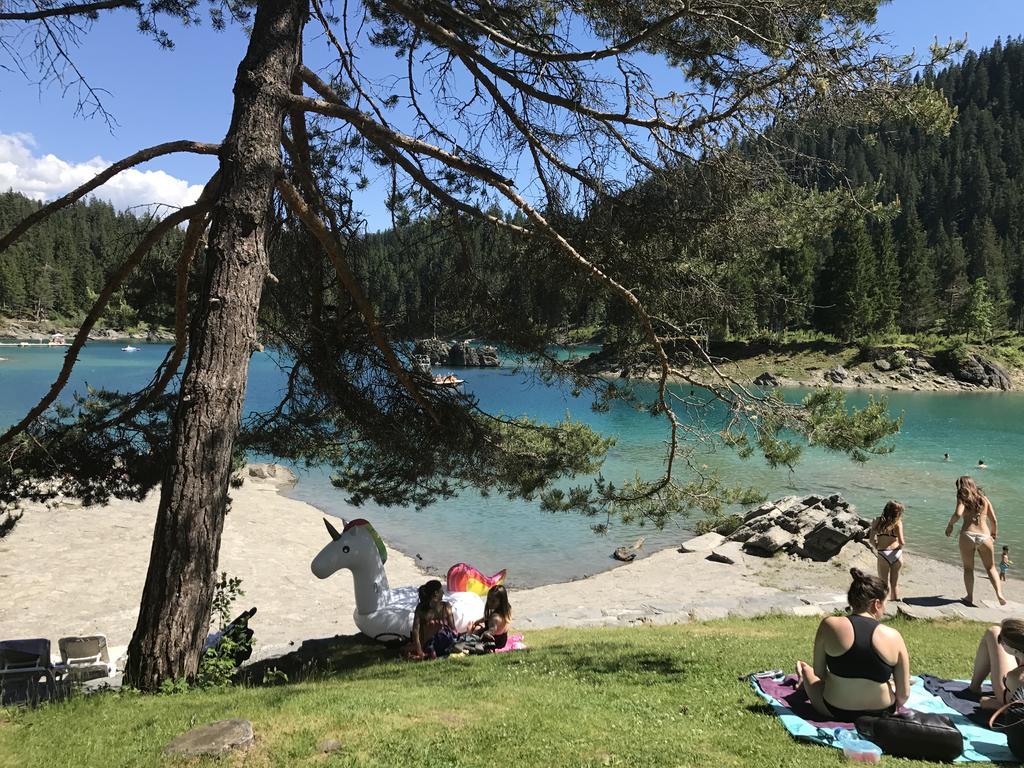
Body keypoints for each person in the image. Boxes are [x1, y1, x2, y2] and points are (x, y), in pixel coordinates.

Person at [796, 568, 911, 722]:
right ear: (877, 604)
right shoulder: (893, 636)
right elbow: (903, 696)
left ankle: (802, 674)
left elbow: (820, 674)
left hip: (835, 709)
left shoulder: (829, 625)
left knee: (808, 671)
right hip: (882, 712)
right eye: (885, 603)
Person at [945, 476, 1006, 605]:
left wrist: (950, 525)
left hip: (968, 535)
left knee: (968, 569)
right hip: (984, 536)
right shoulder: (984, 499)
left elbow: (957, 514)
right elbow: (994, 520)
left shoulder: (962, 499)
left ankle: (969, 597)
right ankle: (999, 594)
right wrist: (994, 533)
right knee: (991, 567)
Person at [969, 619, 1024, 709]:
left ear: (1015, 650)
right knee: (994, 631)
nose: (1000, 643)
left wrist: (993, 704)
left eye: (1001, 640)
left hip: (1010, 696)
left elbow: (1016, 711)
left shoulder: (1015, 677)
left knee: (993, 631)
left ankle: (974, 688)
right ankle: (974, 687)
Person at [406, 580, 457, 660]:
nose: (443, 593)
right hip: (444, 642)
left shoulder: (421, 608)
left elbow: (416, 631)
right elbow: (453, 629)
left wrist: (419, 649)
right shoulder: (446, 606)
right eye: (441, 591)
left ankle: (428, 654)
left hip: (429, 645)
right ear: (436, 593)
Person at [869, 501, 906, 601]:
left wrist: (877, 546)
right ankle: (895, 604)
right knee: (894, 584)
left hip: (883, 553)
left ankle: (883, 606)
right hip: (896, 554)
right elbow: (902, 542)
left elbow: (871, 540)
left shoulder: (877, 520)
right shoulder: (898, 523)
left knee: (883, 584)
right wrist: (898, 549)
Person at [470, 584, 513, 650]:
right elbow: (487, 618)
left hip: (493, 641)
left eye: (493, 601)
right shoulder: (507, 610)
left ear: (501, 602)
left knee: (477, 628)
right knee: (479, 626)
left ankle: (470, 641)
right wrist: (478, 621)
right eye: (489, 599)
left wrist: (486, 633)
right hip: (502, 640)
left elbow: (492, 630)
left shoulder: (494, 618)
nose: (490, 602)